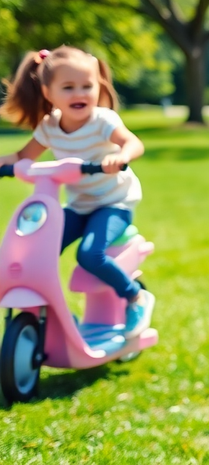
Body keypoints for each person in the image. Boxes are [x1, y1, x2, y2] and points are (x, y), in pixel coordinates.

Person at [0, 46, 154, 337]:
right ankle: (50, 312)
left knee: (90, 255)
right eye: (68, 87)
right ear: (48, 92)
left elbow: (134, 143)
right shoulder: (49, 127)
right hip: (79, 205)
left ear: (97, 87)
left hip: (113, 203)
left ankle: (135, 296)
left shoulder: (103, 121)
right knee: (37, 252)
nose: (79, 94)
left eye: (87, 86)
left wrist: (120, 157)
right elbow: (23, 157)